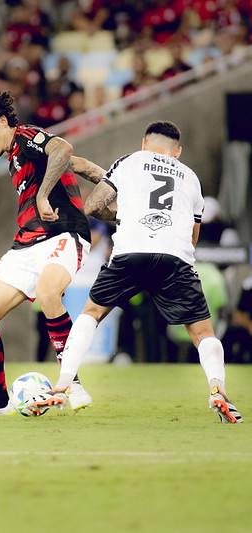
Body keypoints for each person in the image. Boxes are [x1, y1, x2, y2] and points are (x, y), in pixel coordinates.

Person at [34, 121, 244, 424]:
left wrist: (127, 218)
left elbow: (93, 205)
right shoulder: (191, 178)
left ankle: (62, 384)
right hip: (176, 256)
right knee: (202, 333)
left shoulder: (130, 161)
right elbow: (192, 235)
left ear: (145, 144)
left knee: (91, 313)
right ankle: (218, 389)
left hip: (131, 250)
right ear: (178, 152)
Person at [0, 89, 94, 415]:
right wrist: (111, 182)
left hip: (62, 233)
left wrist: (44, 196)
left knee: (49, 294)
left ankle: (71, 382)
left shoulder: (26, 136)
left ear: (3, 121)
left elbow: (63, 148)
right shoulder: (15, 157)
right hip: (27, 243)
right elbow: (79, 163)